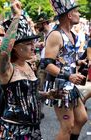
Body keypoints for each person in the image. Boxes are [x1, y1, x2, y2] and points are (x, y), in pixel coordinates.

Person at [0, 0, 42, 139]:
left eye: (33, 42)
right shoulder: (7, 69)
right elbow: (4, 52)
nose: (33, 47)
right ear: (14, 47)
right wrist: (17, 16)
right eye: (28, 43)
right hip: (13, 132)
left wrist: (48, 94)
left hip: (33, 130)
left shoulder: (28, 64)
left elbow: (28, 94)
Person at [40, 0, 88, 140]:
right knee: (67, 126)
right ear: (69, 15)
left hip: (70, 84)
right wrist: (69, 76)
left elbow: (64, 58)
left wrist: (78, 61)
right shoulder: (56, 35)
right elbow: (46, 64)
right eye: (77, 12)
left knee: (82, 118)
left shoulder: (72, 34)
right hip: (60, 86)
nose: (79, 14)